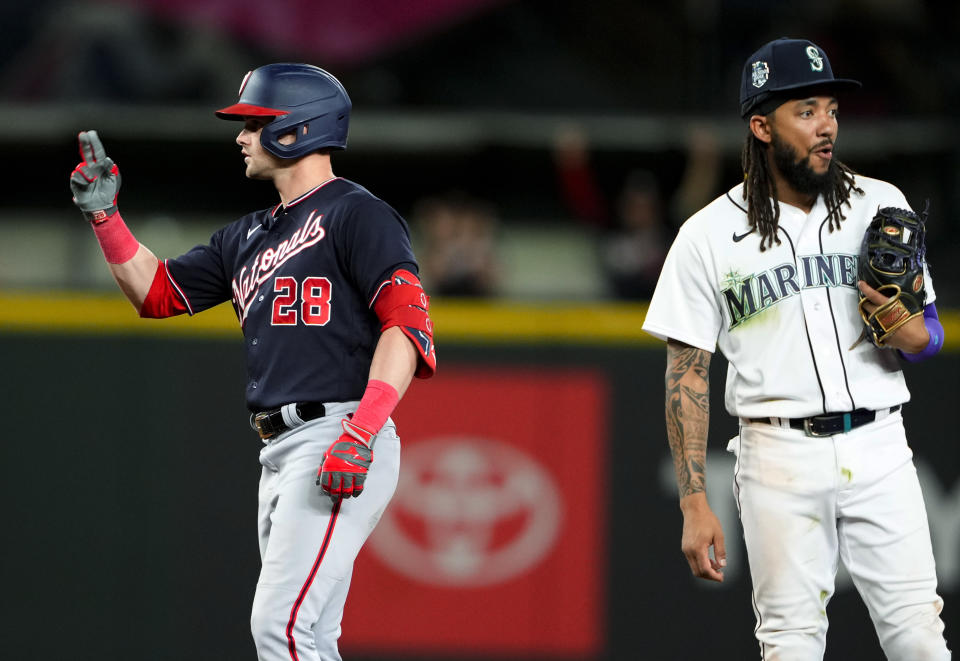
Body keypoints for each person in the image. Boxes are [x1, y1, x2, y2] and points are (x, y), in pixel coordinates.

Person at [68, 63, 436, 661]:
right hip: (282, 449)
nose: (239, 137)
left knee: (279, 627)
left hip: (336, 434)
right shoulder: (246, 237)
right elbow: (157, 293)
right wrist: (105, 219)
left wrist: (362, 431)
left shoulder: (356, 212)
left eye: (253, 123)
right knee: (311, 635)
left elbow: (407, 325)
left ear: (296, 129)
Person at [642, 38, 950, 659]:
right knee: (791, 642)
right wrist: (695, 503)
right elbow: (688, 375)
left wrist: (908, 329)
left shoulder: (878, 203)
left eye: (831, 109)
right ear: (761, 125)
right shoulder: (706, 237)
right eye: (805, 111)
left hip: (879, 446)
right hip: (775, 453)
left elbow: (928, 337)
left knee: (918, 633)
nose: (826, 126)